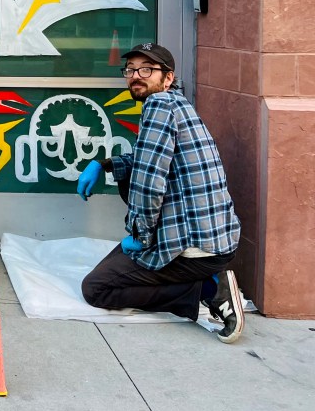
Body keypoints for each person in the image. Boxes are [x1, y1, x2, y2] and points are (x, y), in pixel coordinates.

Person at [77, 43, 245, 343]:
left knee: (96, 289)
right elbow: (145, 160)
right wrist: (101, 164)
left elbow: (149, 182)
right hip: (213, 240)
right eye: (130, 70)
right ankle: (204, 279)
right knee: (113, 268)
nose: (135, 77)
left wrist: (140, 238)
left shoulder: (158, 107)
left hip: (193, 249)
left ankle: (210, 289)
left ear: (168, 78)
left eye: (146, 70)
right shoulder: (176, 105)